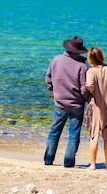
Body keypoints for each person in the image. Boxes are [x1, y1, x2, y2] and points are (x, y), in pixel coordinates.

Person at [44, 36, 91, 168]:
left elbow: (48, 80)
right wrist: (87, 100)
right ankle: (69, 162)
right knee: (74, 134)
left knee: (54, 131)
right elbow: (84, 89)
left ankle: (48, 160)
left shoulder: (56, 60)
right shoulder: (82, 66)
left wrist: (55, 94)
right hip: (77, 105)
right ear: (79, 52)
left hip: (60, 103)